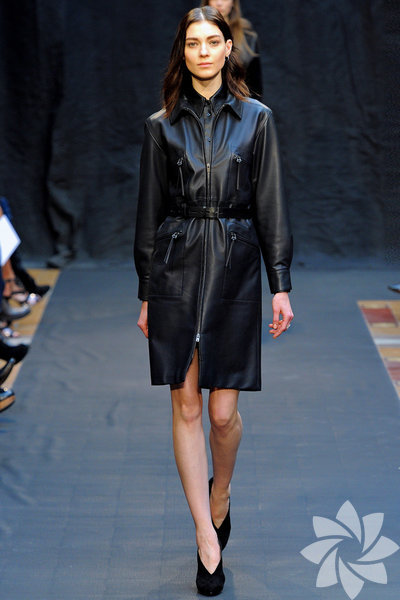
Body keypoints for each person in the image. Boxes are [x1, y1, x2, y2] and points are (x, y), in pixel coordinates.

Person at [134, 7, 293, 596]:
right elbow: (147, 215)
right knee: (186, 407)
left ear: (229, 49)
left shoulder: (258, 119)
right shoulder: (161, 125)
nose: (203, 51)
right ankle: (205, 535)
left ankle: (220, 492)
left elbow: (271, 203)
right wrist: (147, 292)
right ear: (183, 52)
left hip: (234, 265)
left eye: (212, 41)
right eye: (192, 43)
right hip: (176, 268)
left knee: (223, 414)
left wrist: (280, 283)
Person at [201, 0, 263, 99]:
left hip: (240, 102)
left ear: (233, 2)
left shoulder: (247, 37)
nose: (219, 3)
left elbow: (255, 87)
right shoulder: (194, 33)